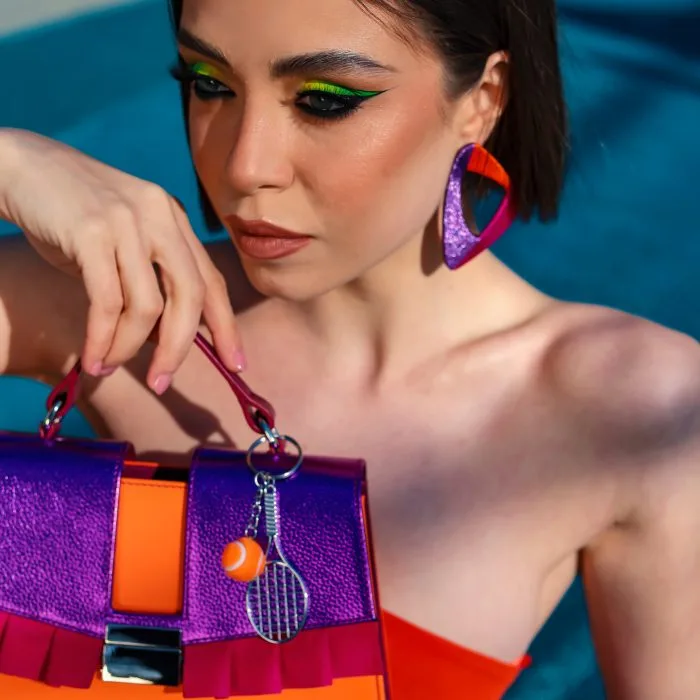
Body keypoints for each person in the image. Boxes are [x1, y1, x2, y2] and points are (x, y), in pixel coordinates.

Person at [0, 0, 699, 697]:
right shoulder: (112, 302)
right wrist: (16, 162)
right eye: (210, 83)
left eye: (325, 101)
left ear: (483, 99)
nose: (246, 166)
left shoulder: (638, 410)